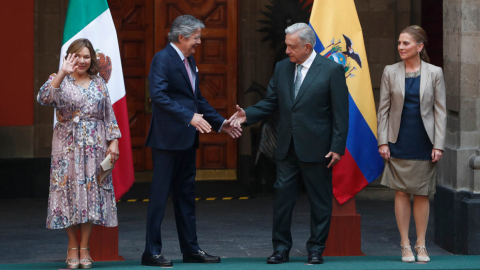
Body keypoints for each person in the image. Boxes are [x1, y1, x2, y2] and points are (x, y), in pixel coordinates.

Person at [231, 23, 349, 264]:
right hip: (286, 148)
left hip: (319, 148)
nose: (286, 51)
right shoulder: (282, 68)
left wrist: (337, 146)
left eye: (291, 47)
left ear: (307, 47)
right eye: (286, 45)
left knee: (320, 201)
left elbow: (341, 113)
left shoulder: (331, 70)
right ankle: (281, 249)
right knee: (283, 199)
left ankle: (316, 249)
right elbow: (271, 101)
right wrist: (248, 115)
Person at [141, 15, 241, 267]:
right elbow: (159, 96)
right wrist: (189, 117)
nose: (198, 42)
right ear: (181, 36)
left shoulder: (190, 61)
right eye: (196, 38)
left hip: (187, 139)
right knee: (160, 196)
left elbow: (197, 99)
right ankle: (151, 252)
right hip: (166, 140)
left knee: (186, 196)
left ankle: (191, 250)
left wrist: (220, 123)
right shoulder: (162, 59)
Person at [38, 38, 121, 269]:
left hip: (95, 145)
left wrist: (113, 142)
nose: (82, 61)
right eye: (77, 56)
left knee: (91, 193)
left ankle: (85, 247)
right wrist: (62, 73)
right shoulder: (59, 80)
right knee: (68, 193)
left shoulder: (99, 83)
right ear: (69, 57)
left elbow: (109, 115)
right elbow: (44, 98)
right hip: (67, 146)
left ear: (92, 58)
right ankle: (71, 246)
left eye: (87, 56)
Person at [377, 25, 446, 263]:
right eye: (399, 43)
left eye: (405, 43)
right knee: (401, 191)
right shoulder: (389, 71)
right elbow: (383, 110)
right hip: (398, 139)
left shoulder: (435, 72)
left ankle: (421, 245)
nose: (400, 47)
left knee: (422, 192)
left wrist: (439, 144)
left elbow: (440, 111)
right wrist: (382, 141)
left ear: (419, 46)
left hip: (424, 141)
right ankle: (405, 244)